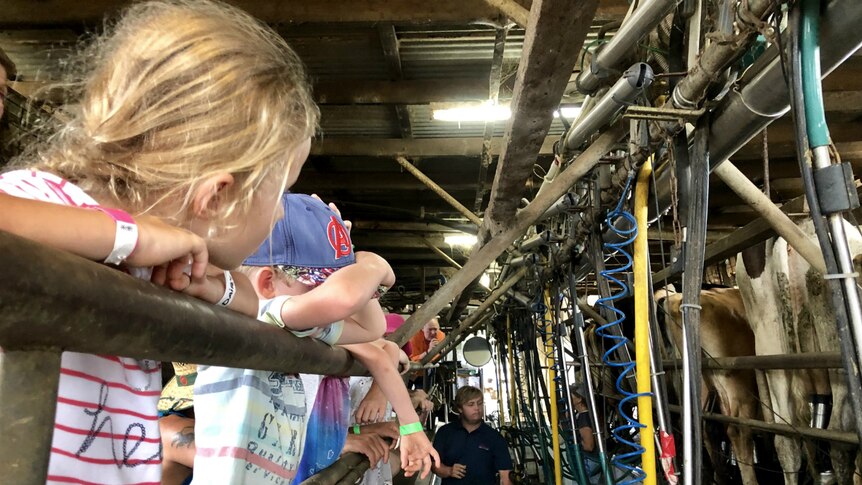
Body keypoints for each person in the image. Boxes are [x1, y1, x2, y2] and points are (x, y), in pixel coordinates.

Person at [0, 1, 318, 483]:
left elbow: (257, 303)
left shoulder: (161, 264)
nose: (279, 212)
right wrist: (127, 236)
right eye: (281, 191)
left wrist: (214, 290)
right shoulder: (40, 202)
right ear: (217, 196)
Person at [193, 193, 439, 484]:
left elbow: (371, 327)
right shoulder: (266, 313)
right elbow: (347, 297)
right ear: (268, 283)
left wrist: (344, 256)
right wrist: (362, 261)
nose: (325, 301)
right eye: (317, 286)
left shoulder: (297, 327)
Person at [432, 386, 513, 485]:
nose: (477, 408)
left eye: (480, 403)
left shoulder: (495, 438)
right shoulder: (445, 433)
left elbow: (505, 477)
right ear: (459, 408)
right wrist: (449, 471)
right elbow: (434, 465)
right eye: (471, 404)